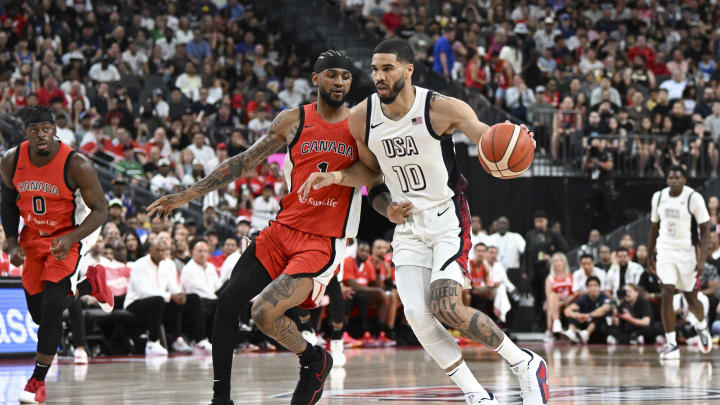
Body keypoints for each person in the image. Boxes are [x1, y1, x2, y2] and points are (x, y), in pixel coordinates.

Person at [300, 39, 548, 405]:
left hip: (447, 217)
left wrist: (513, 137)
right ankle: (476, 395)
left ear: (408, 69)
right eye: (374, 69)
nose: (379, 76)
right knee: (417, 315)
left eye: (387, 68)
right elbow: (371, 177)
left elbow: (486, 136)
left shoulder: (441, 108)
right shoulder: (361, 117)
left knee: (445, 305)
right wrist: (357, 192)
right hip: (409, 228)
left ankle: (524, 362)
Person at [147, 50, 361, 405]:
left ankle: (313, 358)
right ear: (316, 79)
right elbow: (245, 162)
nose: (339, 82)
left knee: (264, 311)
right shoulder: (292, 120)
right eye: (332, 75)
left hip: (322, 239)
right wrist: (186, 195)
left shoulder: (357, 125)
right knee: (229, 300)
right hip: (282, 229)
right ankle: (224, 397)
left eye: (345, 76)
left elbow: (375, 177)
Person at [0, 106, 113, 403]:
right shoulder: (11, 161)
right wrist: (12, 241)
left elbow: (102, 210)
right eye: (35, 129)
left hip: (75, 232)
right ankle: (90, 285)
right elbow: (8, 202)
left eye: (46, 129)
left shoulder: (77, 163)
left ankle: (36, 382)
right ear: (26, 133)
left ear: (55, 130)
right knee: (39, 314)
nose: (41, 134)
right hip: (34, 237)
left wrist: (72, 237)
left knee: (51, 308)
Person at [649, 165, 713, 359]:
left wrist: (702, 259)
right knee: (667, 291)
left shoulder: (694, 198)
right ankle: (671, 344)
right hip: (665, 250)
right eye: (670, 178)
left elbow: (705, 229)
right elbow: (654, 227)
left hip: (686, 252)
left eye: (677, 178)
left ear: (684, 180)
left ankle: (702, 326)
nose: (673, 181)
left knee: (691, 297)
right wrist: (650, 253)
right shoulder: (658, 197)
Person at [125, 239, 212, 355]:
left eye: (164, 250)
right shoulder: (139, 265)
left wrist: (180, 295)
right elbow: (143, 292)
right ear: (150, 250)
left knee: (193, 299)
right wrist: (170, 296)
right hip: (135, 304)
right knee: (158, 300)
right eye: (158, 250)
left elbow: (172, 286)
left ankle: (200, 341)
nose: (161, 253)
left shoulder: (166, 265)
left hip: (159, 303)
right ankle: (152, 343)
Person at [563, 276, 612, 344]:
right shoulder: (584, 298)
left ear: (599, 287)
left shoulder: (603, 297)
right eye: (590, 286)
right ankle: (571, 332)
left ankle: (586, 334)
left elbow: (605, 308)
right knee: (574, 311)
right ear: (587, 288)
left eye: (595, 285)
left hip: (600, 330)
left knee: (599, 314)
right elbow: (567, 310)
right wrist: (578, 315)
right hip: (584, 327)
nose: (592, 288)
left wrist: (588, 315)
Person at [544, 253, 574, 342]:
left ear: (564, 262)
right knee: (552, 296)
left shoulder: (570, 276)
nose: (558, 263)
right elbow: (548, 294)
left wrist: (564, 302)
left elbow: (574, 293)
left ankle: (549, 331)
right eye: (555, 261)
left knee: (552, 302)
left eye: (560, 260)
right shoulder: (550, 278)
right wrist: (558, 302)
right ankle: (555, 323)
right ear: (553, 264)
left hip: (569, 302)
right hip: (554, 303)